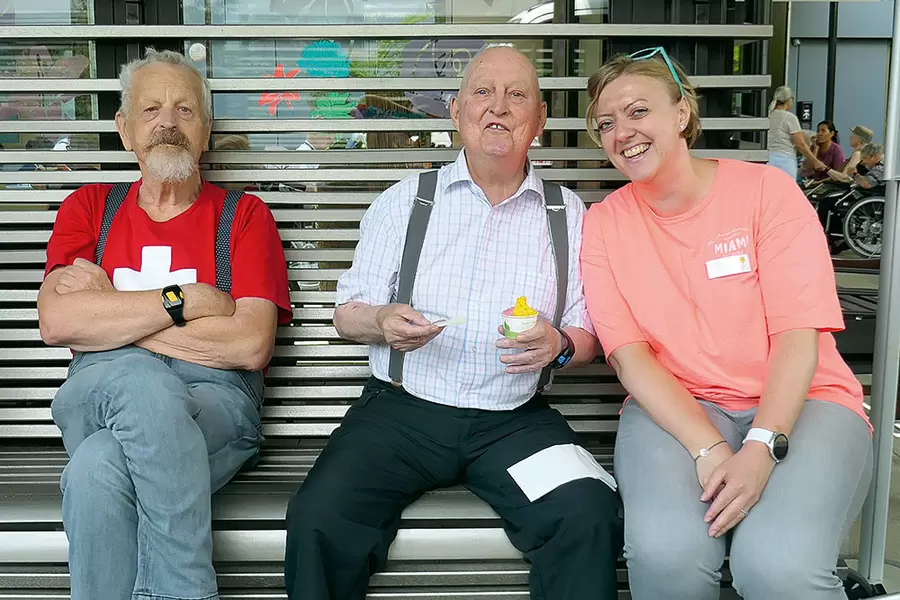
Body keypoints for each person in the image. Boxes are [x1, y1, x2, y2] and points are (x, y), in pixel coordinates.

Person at [283, 45, 622, 600]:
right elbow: (347, 315)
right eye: (483, 92)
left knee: (587, 514)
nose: (500, 107)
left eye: (518, 96)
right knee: (320, 518)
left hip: (515, 422)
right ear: (456, 110)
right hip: (400, 415)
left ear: (538, 120)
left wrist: (560, 343)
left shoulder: (570, 216)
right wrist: (381, 321)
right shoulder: (404, 202)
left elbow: (589, 335)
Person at [581, 47, 873, 600]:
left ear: (682, 113)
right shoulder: (604, 224)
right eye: (606, 123)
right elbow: (629, 355)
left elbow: (796, 335)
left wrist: (761, 445)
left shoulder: (767, 193)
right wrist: (709, 448)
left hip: (807, 400)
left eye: (638, 111)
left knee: (777, 567)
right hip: (678, 408)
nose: (622, 131)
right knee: (668, 555)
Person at [37, 49, 291, 600]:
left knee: (96, 471)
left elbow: (249, 344)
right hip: (97, 394)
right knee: (141, 381)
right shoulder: (89, 208)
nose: (168, 124)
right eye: (151, 109)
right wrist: (189, 300)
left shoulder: (244, 216)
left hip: (216, 404)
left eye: (184, 111)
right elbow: (58, 320)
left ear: (205, 134)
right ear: (125, 131)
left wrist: (113, 311)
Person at [766, 86, 824, 179]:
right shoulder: (789, 117)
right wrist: (815, 161)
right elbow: (799, 144)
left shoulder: (768, 115)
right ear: (789, 99)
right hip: (784, 160)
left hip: (768, 158)